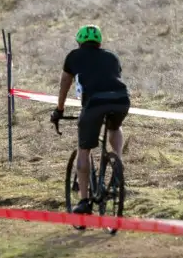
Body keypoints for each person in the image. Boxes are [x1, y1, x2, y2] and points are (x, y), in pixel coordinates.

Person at [50, 25, 130, 215]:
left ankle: (84, 201)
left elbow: (65, 83)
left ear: (79, 42)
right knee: (114, 127)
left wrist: (59, 110)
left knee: (84, 150)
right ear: (99, 42)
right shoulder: (111, 56)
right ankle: (117, 162)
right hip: (121, 99)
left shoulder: (73, 56)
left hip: (94, 103)